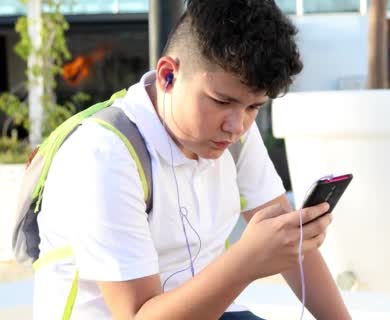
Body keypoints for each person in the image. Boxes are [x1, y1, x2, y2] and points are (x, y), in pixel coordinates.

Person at [32, 0, 351, 319]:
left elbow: (289, 240)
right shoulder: (105, 154)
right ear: (168, 76)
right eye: (221, 101)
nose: (236, 125)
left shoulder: (234, 133)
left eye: (254, 107)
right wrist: (247, 261)